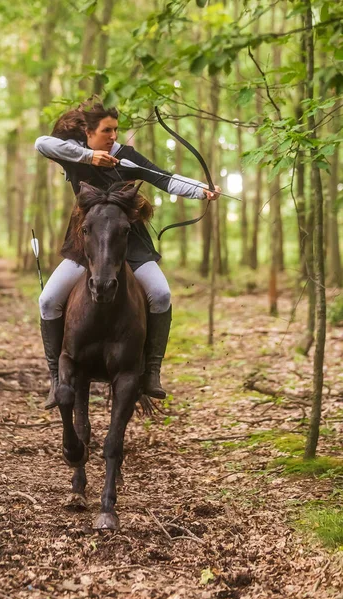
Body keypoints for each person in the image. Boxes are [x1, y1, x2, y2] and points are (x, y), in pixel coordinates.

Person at [35, 97, 221, 409]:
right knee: (48, 301)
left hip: (129, 243)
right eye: (107, 130)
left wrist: (201, 189)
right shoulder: (75, 154)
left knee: (160, 294)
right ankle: (57, 380)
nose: (113, 137)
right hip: (86, 245)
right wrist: (90, 157)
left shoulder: (127, 157)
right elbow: (42, 144)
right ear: (89, 132)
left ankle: (150, 373)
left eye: (116, 130)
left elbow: (165, 178)